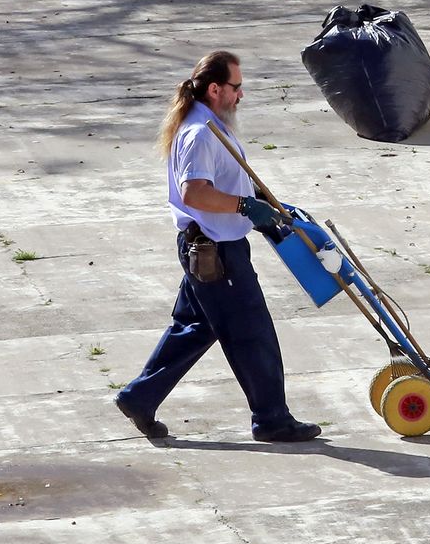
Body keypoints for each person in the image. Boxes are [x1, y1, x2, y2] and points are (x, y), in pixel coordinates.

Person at [114, 50, 322, 443]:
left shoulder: (209, 124)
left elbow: (222, 182)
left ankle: (139, 398)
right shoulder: (199, 133)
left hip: (210, 248)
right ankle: (272, 419)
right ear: (215, 89)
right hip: (216, 254)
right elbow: (196, 193)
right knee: (253, 334)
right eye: (236, 87)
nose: (241, 95)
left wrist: (258, 200)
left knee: (194, 328)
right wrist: (244, 206)